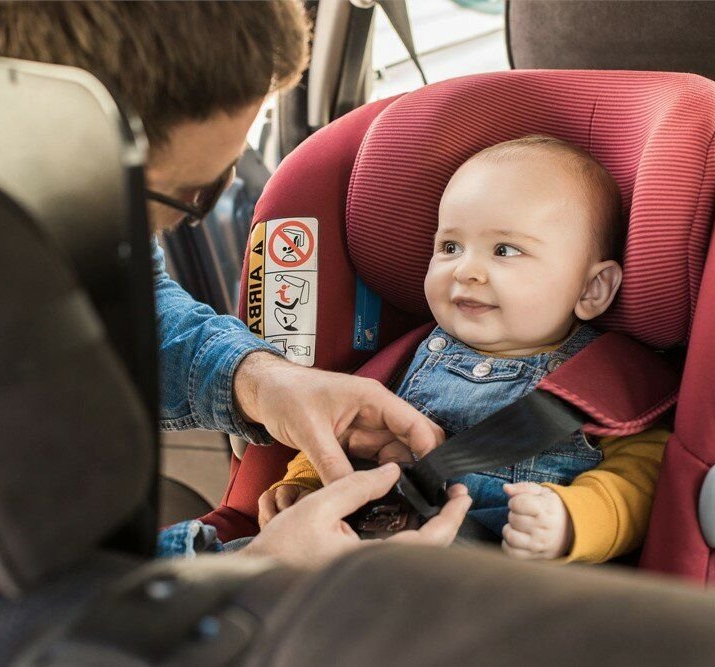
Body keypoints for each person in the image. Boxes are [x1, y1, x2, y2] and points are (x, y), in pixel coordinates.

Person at [0, 0, 468, 568]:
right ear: (52, 137)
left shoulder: (33, 102)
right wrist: (253, 571)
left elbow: (111, 290)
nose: (218, 195)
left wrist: (260, 381)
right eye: (192, 195)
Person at [261, 136, 671, 563]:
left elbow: (643, 478)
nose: (467, 270)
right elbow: (344, 434)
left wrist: (572, 521)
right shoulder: (401, 360)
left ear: (592, 288)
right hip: (356, 552)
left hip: (486, 578)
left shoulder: (607, 384)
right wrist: (306, 484)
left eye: (505, 250)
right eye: (450, 247)